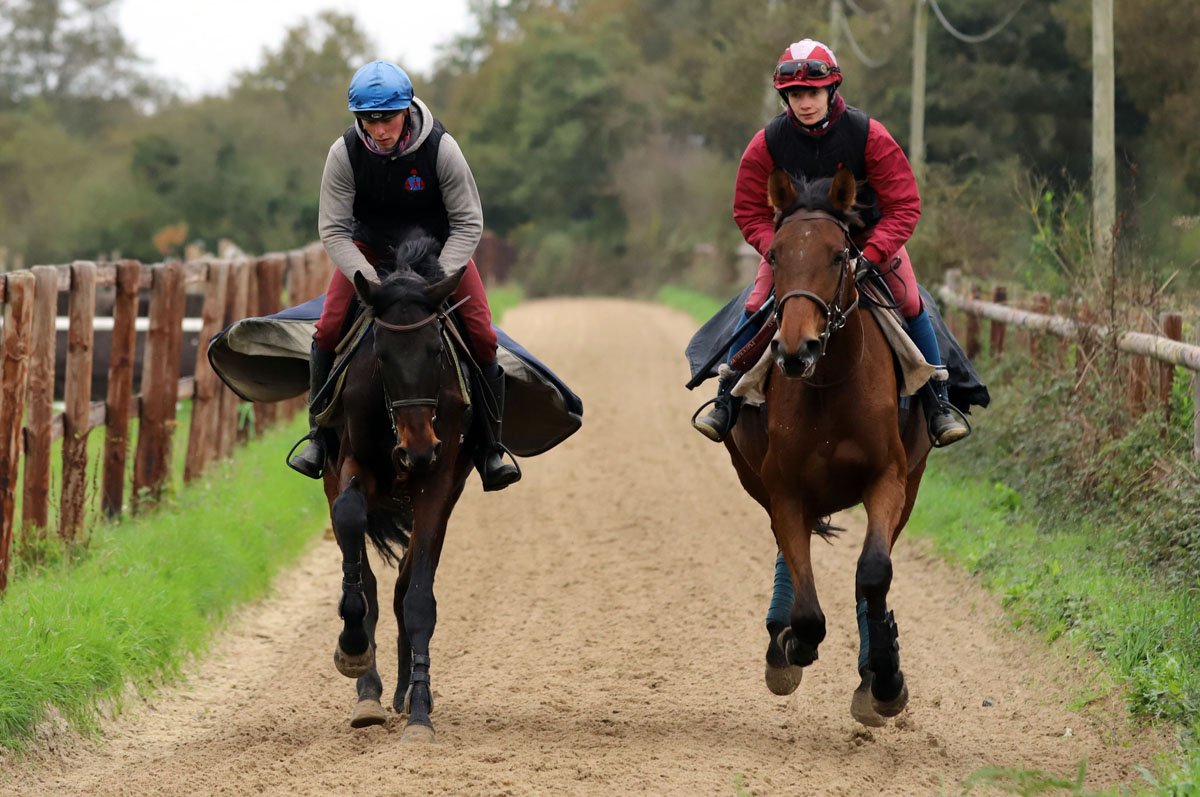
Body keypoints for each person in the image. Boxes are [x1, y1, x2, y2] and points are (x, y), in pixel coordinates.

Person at [691, 38, 969, 448]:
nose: (805, 103)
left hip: (869, 240)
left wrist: (872, 254)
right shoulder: (766, 142)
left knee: (910, 301)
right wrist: (778, 251)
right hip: (796, 247)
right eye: (796, 95)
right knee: (755, 303)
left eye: (813, 93)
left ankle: (938, 403)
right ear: (786, 97)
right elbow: (748, 211)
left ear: (831, 89)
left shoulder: (869, 135)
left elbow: (905, 205)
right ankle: (725, 399)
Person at [288, 59, 520, 491]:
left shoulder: (442, 149)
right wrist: (369, 281)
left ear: (406, 111)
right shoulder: (343, 154)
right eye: (369, 120)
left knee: (482, 335)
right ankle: (318, 437)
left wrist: (437, 280)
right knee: (328, 329)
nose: (379, 130)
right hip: (369, 251)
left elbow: (468, 221)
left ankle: (490, 449)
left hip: (438, 251)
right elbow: (333, 229)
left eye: (388, 119)